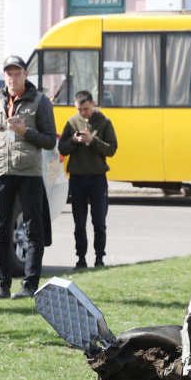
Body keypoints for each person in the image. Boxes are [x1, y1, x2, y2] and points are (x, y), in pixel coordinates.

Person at [0, 55, 57, 300]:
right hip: (1, 172)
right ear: (4, 76)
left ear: (25, 74)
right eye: (8, 73)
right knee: (1, 229)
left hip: (28, 173)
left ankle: (29, 285)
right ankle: (2, 285)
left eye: (17, 73)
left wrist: (26, 132)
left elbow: (49, 140)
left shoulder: (39, 101)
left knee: (33, 229)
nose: (13, 78)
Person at [57, 90, 117, 268]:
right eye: (79, 109)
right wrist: (74, 141)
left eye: (85, 109)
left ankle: (99, 258)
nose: (82, 113)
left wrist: (92, 140)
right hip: (77, 178)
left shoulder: (105, 123)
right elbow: (62, 148)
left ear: (93, 104)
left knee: (99, 221)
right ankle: (80, 258)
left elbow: (111, 149)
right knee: (79, 222)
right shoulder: (72, 122)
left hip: (97, 177)